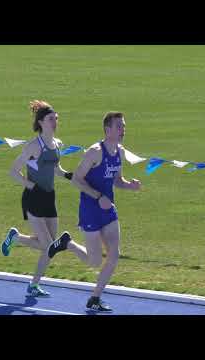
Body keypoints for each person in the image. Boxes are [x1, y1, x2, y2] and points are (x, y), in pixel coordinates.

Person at [47, 111, 141, 312]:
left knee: (114, 255)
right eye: (119, 126)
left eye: (123, 125)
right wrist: (98, 197)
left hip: (108, 211)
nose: (123, 129)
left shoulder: (118, 151)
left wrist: (129, 186)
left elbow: (117, 180)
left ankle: (95, 298)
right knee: (95, 261)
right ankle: (68, 243)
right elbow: (76, 180)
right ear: (108, 130)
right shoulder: (94, 152)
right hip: (90, 210)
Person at [2, 100, 73, 297]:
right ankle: (32, 285)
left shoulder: (57, 144)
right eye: (51, 119)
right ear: (41, 122)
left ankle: (16, 240)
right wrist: (31, 186)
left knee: (50, 247)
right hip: (33, 197)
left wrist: (69, 175)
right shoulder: (34, 146)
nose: (55, 122)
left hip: (49, 197)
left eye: (56, 119)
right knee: (49, 245)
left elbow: (55, 169)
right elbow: (14, 171)